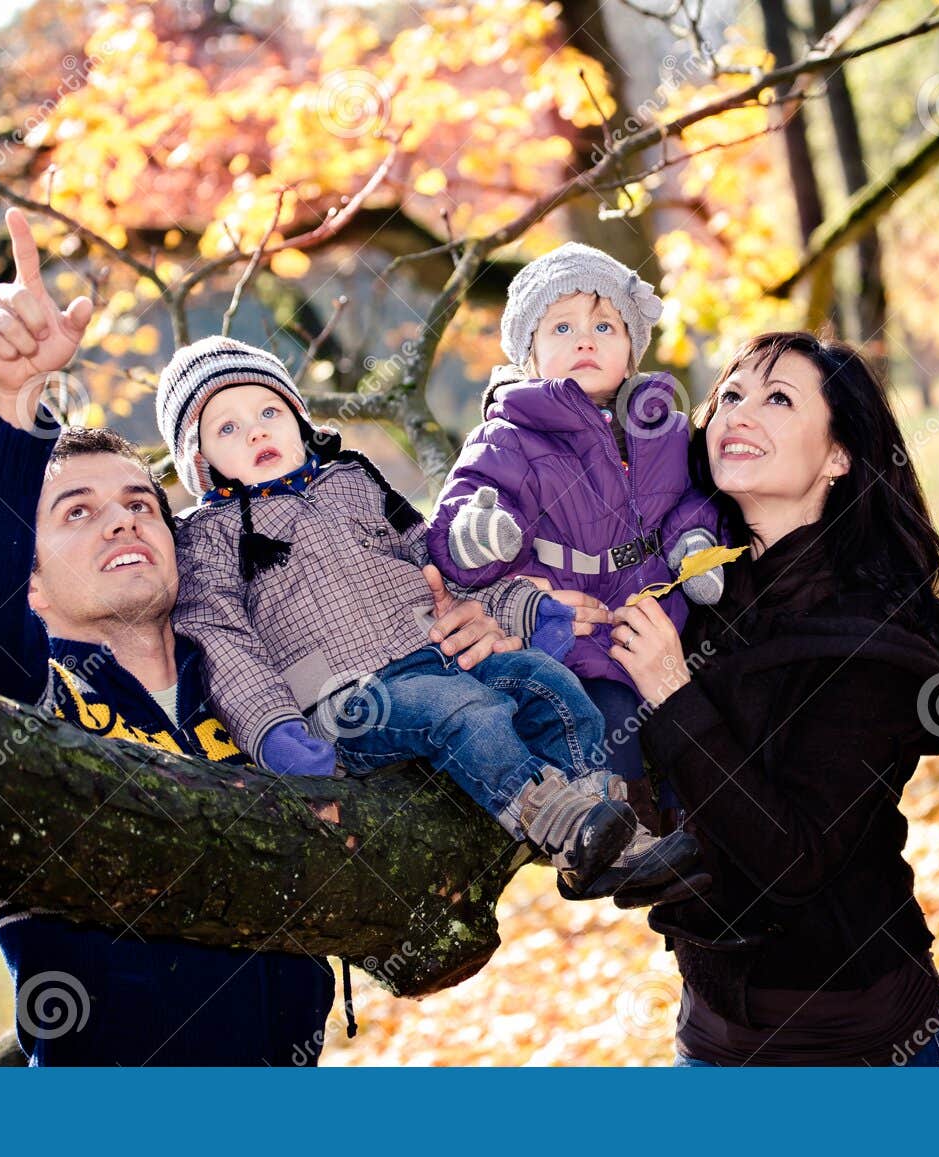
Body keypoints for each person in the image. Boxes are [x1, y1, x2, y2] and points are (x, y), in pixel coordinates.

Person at [0, 207, 508, 1065]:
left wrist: (469, 630)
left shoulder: (256, 683)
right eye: (76, 513)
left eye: (139, 504)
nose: (121, 523)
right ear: (32, 582)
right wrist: (13, 398)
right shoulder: (38, 701)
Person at [154, 335, 703, 906]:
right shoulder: (209, 536)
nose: (256, 431)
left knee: (549, 682)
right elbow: (221, 640)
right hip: (346, 697)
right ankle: (557, 824)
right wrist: (272, 729)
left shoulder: (355, 482)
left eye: (268, 411)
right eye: (227, 429)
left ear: (298, 419)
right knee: (466, 712)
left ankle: (608, 834)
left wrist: (519, 606)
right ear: (201, 462)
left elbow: (437, 564)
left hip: (437, 656)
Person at [607, 331, 939, 1066]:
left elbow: (796, 860)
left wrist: (670, 691)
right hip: (710, 1042)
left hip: (865, 1050)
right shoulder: (687, 598)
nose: (739, 414)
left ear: (840, 455)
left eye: (779, 398)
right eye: (732, 395)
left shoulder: (870, 634)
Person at [426, 243, 723, 819]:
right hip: (574, 636)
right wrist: (479, 534)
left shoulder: (663, 426)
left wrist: (694, 542)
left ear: (633, 351)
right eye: (562, 327)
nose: (585, 340)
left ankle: (696, 829)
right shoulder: (510, 435)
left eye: (605, 325)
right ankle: (621, 832)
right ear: (530, 356)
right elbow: (469, 504)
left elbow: (693, 496)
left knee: (684, 724)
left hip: (662, 622)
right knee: (609, 720)